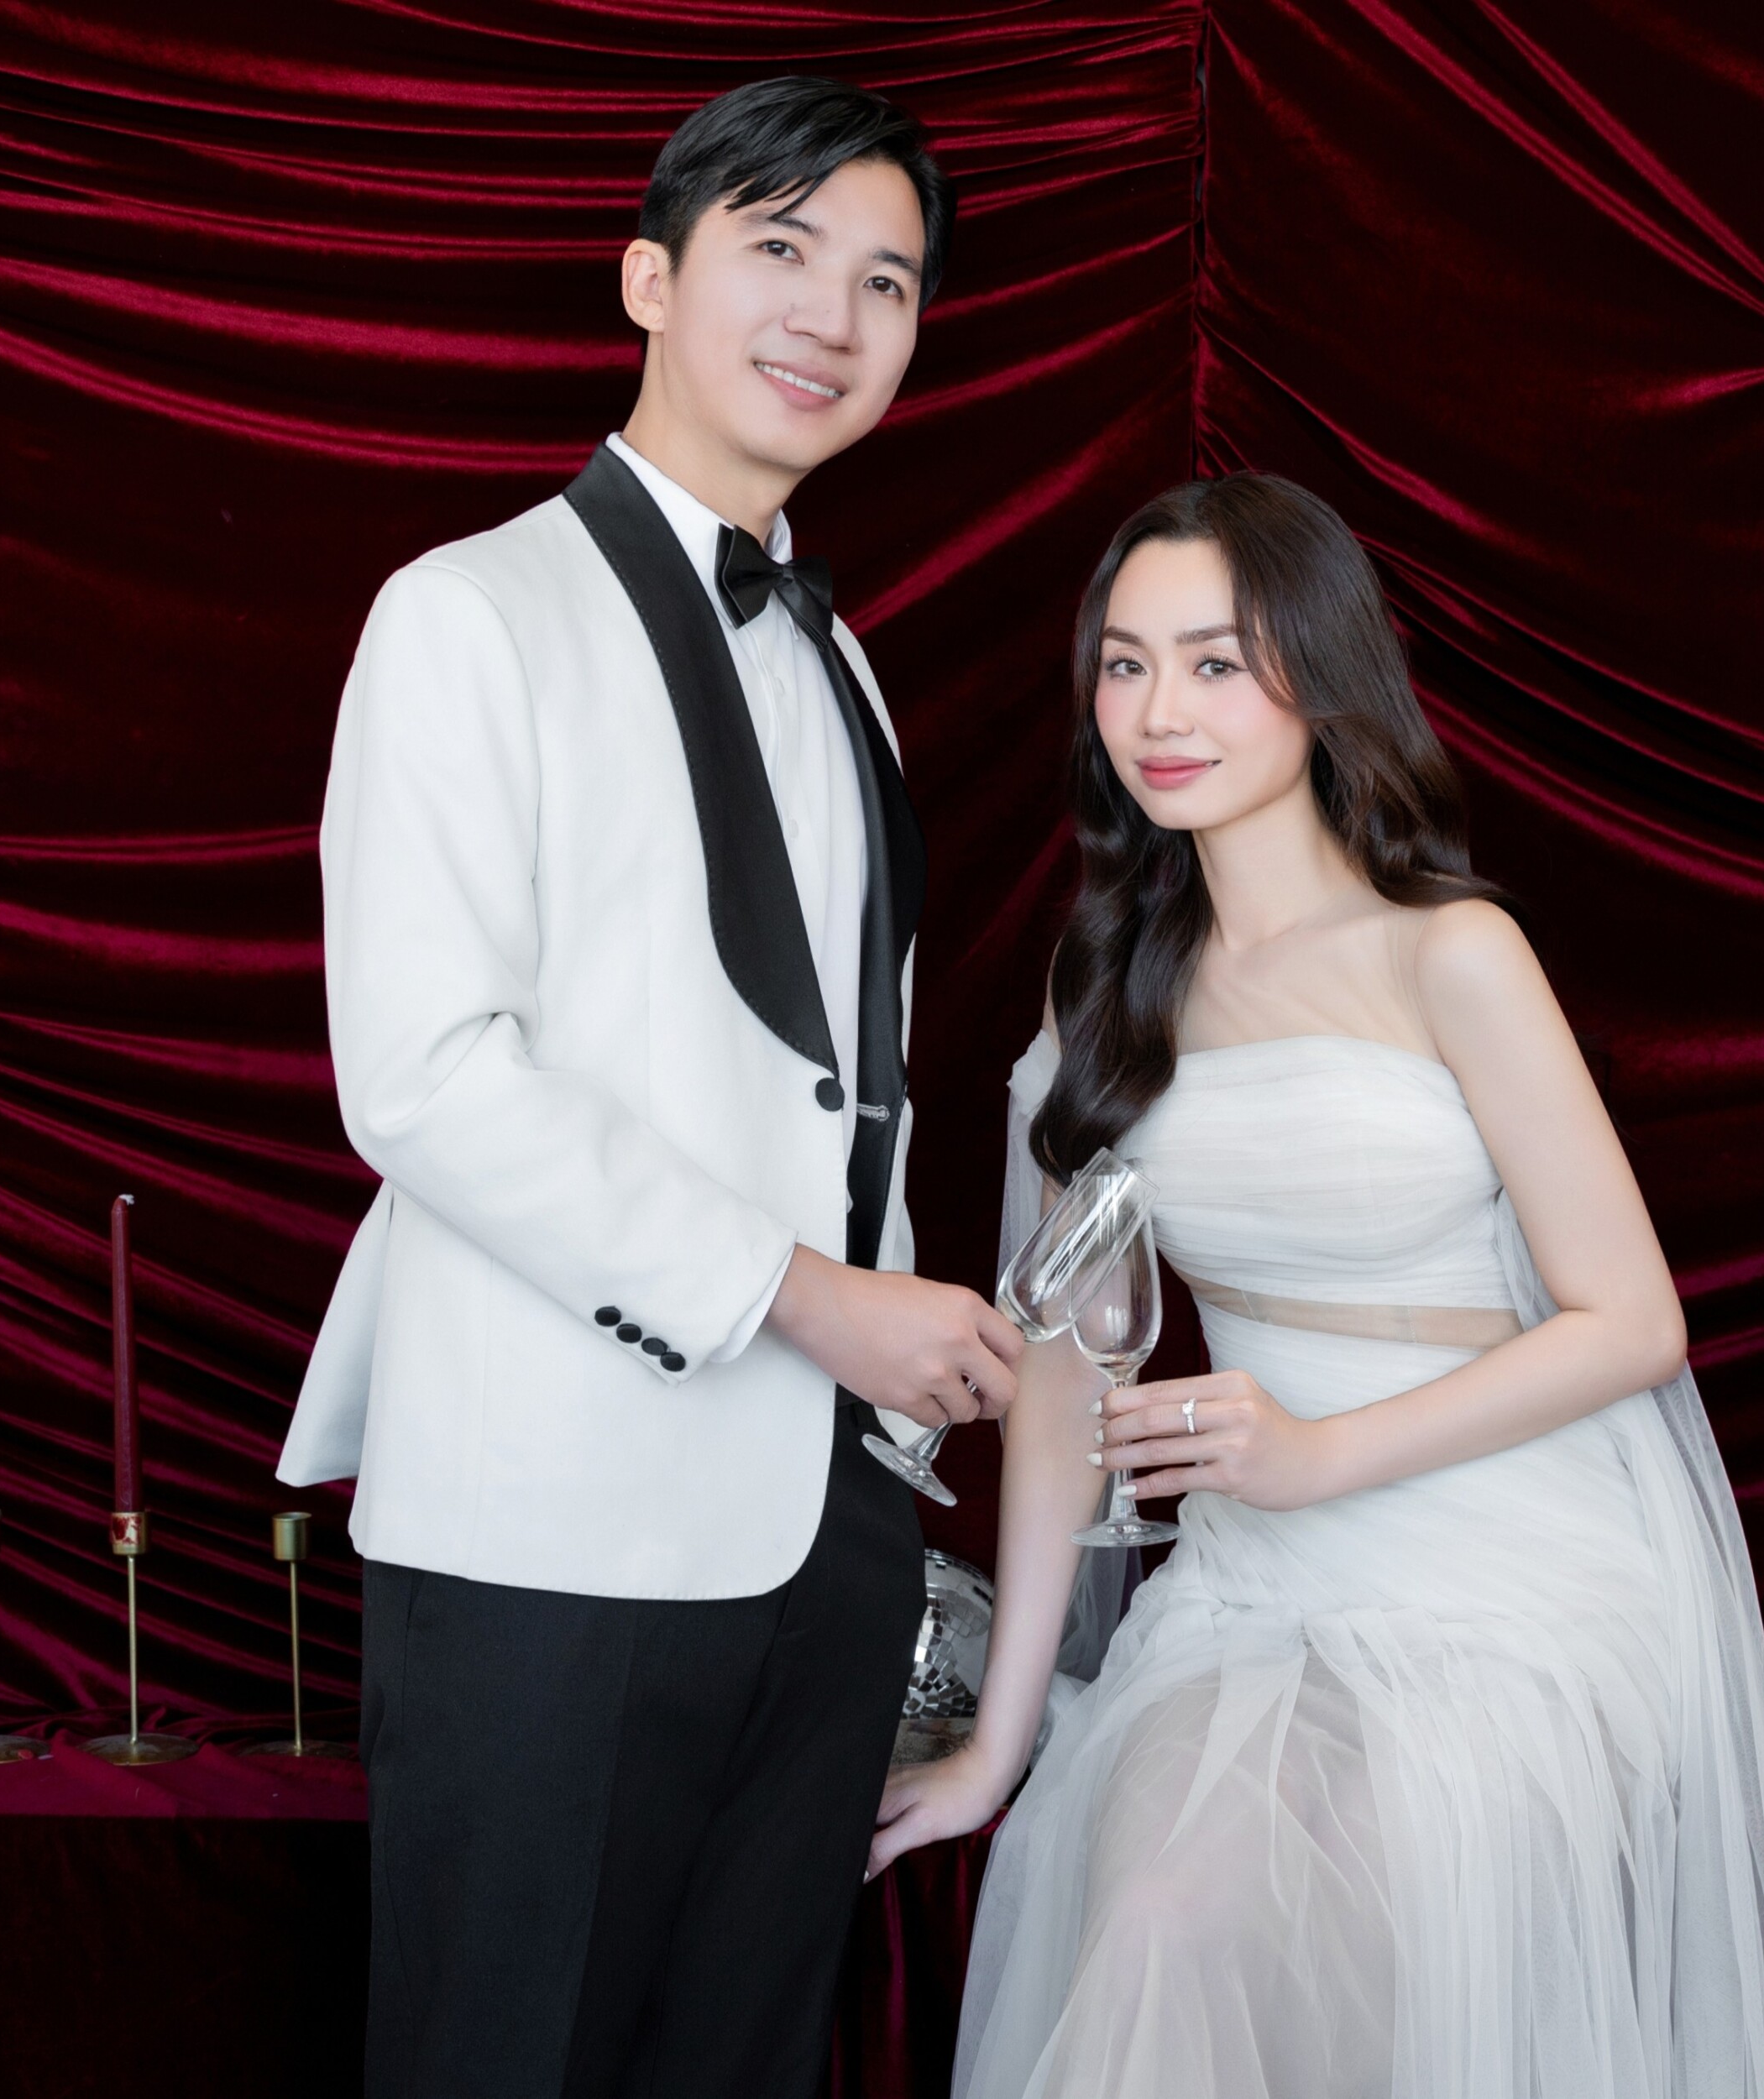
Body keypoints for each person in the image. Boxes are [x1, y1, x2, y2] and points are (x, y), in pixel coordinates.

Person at [871, 474, 1764, 2098]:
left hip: (1519, 1568)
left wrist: (1320, 1455)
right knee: (1159, 1924)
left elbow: (1634, 1322)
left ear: (1319, 673)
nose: (1158, 712)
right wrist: (1000, 1736)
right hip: (1252, 1582)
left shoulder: (1449, 952)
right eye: (1125, 664)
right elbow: (1064, 1373)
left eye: (1215, 662)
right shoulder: (1106, 983)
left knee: (1373, 1961)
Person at [275, 76, 1023, 2099]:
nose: (833, 316)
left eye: (886, 282)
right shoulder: (466, 612)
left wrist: (890, 1405)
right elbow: (424, 1077)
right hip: (550, 1528)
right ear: (647, 281)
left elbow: (838, 1093)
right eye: (781, 250)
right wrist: (811, 1299)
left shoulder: (845, 669)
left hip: (827, 1538)